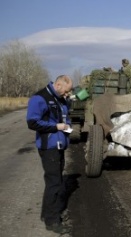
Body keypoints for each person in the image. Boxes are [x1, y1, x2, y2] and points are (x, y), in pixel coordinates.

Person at [26, 75, 73, 234]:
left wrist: (67, 127)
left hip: (59, 145)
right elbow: (32, 122)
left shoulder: (60, 98)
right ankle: (52, 222)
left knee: (56, 181)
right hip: (49, 147)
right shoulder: (40, 98)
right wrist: (56, 127)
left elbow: (64, 117)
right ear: (58, 85)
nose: (67, 95)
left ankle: (47, 214)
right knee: (55, 183)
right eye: (66, 91)